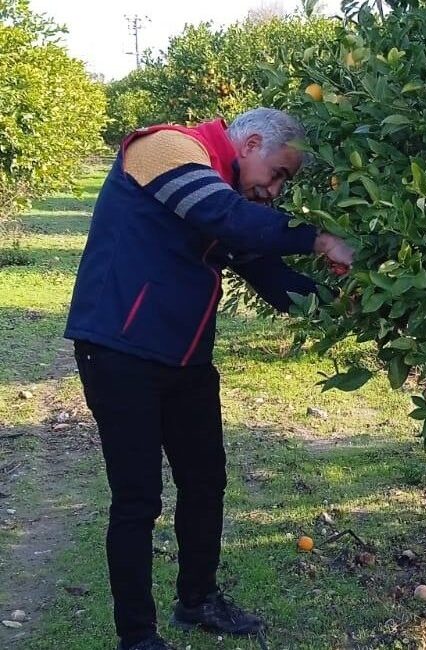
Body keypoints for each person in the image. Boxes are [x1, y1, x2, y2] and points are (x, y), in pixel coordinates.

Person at [65, 108, 353, 650]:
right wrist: (319, 239)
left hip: (184, 357)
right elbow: (226, 218)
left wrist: (348, 306)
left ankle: (196, 600)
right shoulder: (168, 149)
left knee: (204, 481)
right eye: (279, 174)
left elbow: (262, 265)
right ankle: (137, 636)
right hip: (120, 349)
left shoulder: (221, 189)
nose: (274, 190)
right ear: (250, 143)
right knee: (137, 498)